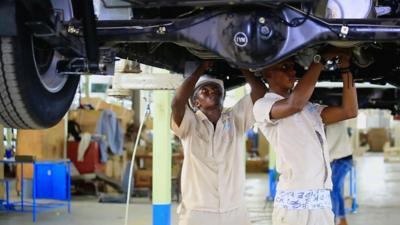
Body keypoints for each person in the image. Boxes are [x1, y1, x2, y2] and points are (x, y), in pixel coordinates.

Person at [253, 48, 358, 225]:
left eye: (293, 67)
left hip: (321, 204)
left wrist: (346, 68)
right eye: (285, 66)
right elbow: (294, 104)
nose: (292, 72)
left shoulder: (309, 108)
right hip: (294, 208)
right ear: (267, 73)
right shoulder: (263, 105)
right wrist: (320, 59)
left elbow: (349, 111)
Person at [171, 62, 266, 225]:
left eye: (217, 90)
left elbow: (260, 93)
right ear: (196, 103)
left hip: (235, 210)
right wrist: (200, 68)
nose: (212, 91)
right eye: (204, 90)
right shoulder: (190, 124)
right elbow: (177, 102)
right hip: (198, 212)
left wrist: (241, 64)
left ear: (223, 97)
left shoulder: (235, 118)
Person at [326, 121, 354, 225]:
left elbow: (328, 146)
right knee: (335, 189)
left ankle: (335, 220)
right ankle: (341, 219)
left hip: (342, 159)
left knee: (333, 188)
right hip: (336, 159)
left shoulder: (335, 121)